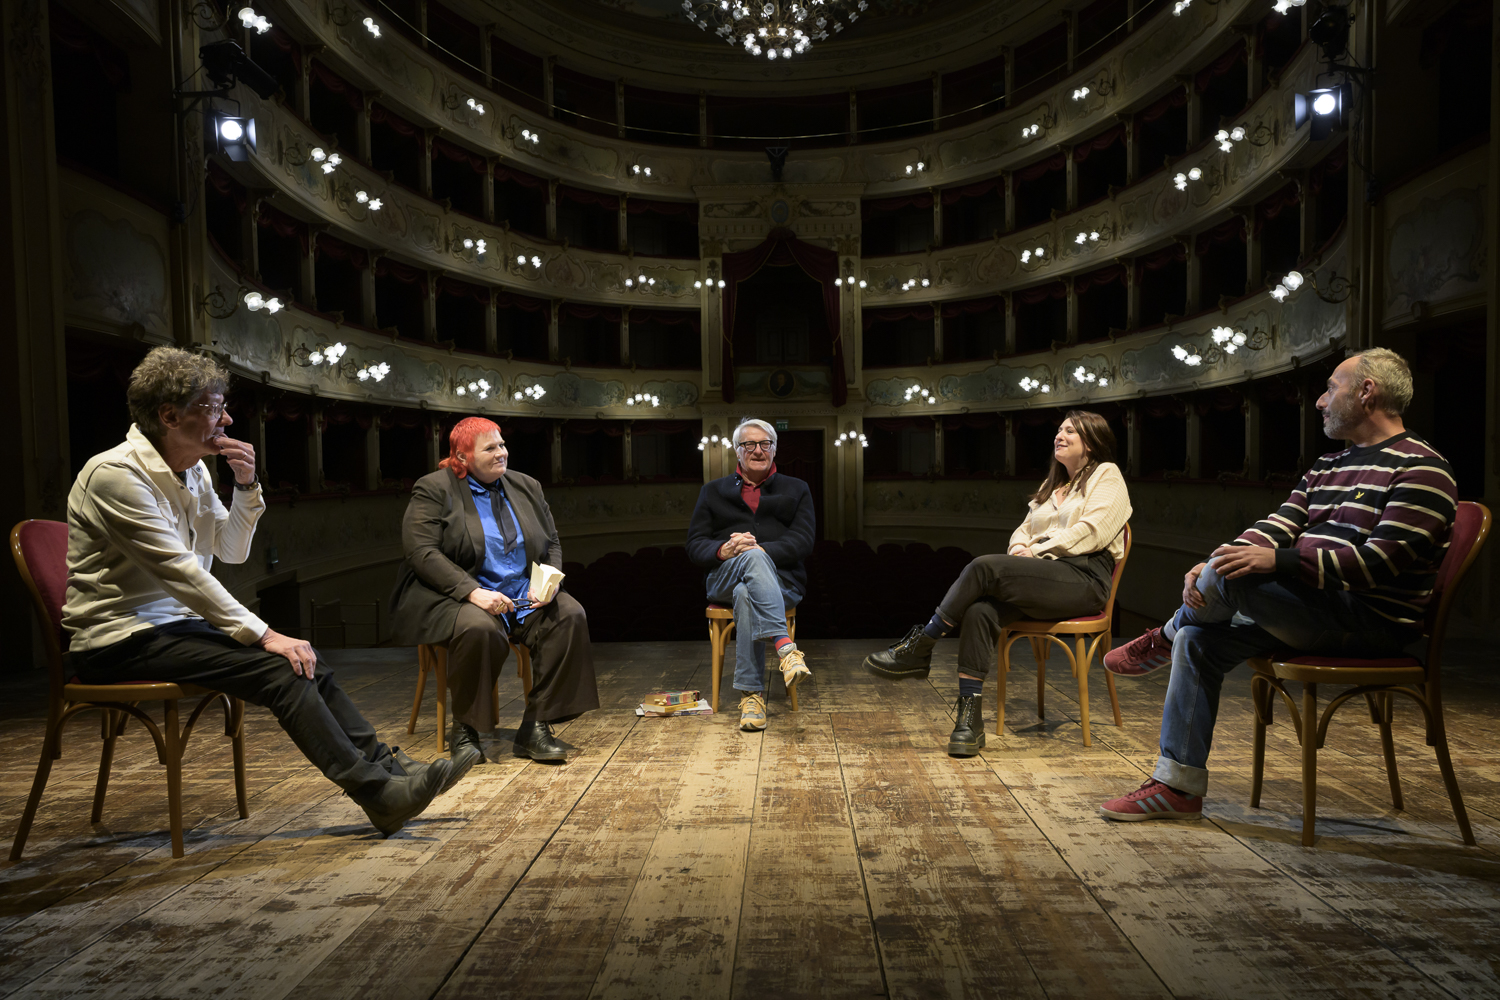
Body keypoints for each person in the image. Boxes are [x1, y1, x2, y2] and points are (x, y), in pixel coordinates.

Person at [63, 347, 451, 837]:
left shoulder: (195, 469)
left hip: (174, 628)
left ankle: (386, 765)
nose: (226, 419)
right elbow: (181, 573)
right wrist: (266, 635)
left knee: (305, 658)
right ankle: (378, 794)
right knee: (282, 669)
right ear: (170, 416)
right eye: (213, 407)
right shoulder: (116, 476)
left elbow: (230, 550)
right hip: (117, 639)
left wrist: (246, 486)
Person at [1099, 348, 1457, 821]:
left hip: (1369, 622)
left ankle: (1164, 634)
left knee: (1228, 579)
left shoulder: (1422, 469)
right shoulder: (1327, 466)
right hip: (1314, 610)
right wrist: (1215, 561)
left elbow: (1377, 564)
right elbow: (1276, 526)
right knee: (1197, 637)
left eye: (1331, 388)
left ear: (1366, 392)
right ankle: (1177, 787)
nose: (1320, 401)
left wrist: (1268, 562)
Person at [865, 410, 1131, 757]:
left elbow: (1093, 531)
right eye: (1059, 430)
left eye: (1070, 431)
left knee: (982, 567)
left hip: (1083, 579)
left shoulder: (1106, 475)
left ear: (1092, 442)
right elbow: (1023, 530)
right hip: (1043, 578)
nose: (1059, 435)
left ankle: (923, 642)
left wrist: (1035, 550)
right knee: (980, 611)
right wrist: (1020, 547)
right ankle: (969, 721)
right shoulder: (1051, 487)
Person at [389, 417, 599, 773]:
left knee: (570, 615)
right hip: (458, 595)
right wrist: (473, 592)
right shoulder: (434, 489)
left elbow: (551, 542)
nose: (501, 452)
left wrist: (548, 581)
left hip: (522, 593)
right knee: (480, 629)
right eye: (490, 448)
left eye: (502, 444)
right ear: (462, 456)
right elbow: (421, 552)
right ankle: (466, 730)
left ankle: (536, 725)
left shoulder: (527, 485)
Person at [686, 418, 815, 732]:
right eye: (749, 444)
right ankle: (785, 648)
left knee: (746, 593)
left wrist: (760, 551)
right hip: (724, 578)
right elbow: (695, 545)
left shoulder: (797, 488)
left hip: (782, 582)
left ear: (774, 449)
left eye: (765, 444)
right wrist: (725, 550)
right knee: (748, 566)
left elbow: (803, 540)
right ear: (737, 450)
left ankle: (751, 697)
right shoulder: (712, 491)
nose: (758, 450)